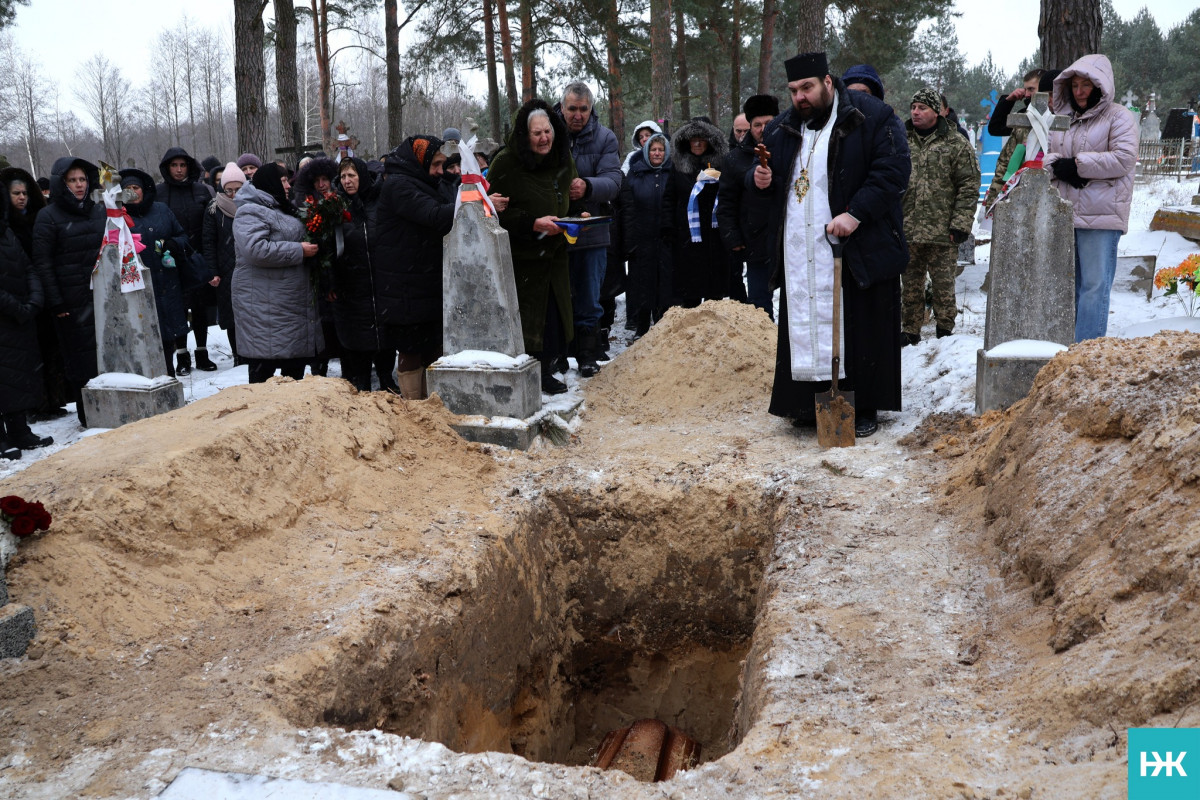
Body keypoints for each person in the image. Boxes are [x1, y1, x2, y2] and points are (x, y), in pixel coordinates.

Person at [750, 52, 910, 438]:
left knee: (860, 326)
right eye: (793, 91)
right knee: (805, 323)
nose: (800, 97)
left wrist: (855, 213)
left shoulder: (872, 116)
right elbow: (772, 179)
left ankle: (863, 406)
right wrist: (760, 181)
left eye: (807, 88)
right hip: (802, 249)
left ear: (826, 81)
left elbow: (893, 171)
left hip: (857, 244)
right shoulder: (781, 128)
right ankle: (806, 405)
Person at [1045, 54, 1138, 342]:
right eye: (1074, 85)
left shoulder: (1118, 116)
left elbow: (1124, 158)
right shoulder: (1063, 119)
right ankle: (1068, 347)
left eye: (1086, 85)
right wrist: (1057, 165)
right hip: (1065, 213)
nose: (1079, 92)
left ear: (1100, 86)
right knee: (1068, 285)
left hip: (1101, 216)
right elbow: (1043, 154)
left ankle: (1086, 350)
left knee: (1094, 286)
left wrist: (1077, 165)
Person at [489, 99, 579, 395]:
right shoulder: (505, 163)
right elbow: (493, 213)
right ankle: (534, 373)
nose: (544, 138)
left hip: (555, 254)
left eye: (547, 131)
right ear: (524, 136)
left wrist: (578, 216)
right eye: (537, 133)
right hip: (523, 257)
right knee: (531, 321)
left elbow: (566, 197)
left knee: (555, 317)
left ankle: (549, 366)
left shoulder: (561, 157)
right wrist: (532, 223)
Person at [371, 136, 456, 400]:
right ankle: (414, 409)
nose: (440, 171)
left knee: (433, 348)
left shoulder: (425, 182)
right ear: (420, 161)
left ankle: (433, 407)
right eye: (436, 164)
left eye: (443, 165)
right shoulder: (399, 185)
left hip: (424, 282)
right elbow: (433, 215)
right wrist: (472, 204)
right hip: (404, 287)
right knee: (411, 351)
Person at [231, 163, 323, 383]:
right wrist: (298, 250)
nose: (288, 186)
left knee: (293, 374)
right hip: (265, 306)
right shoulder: (250, 210)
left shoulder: (280, 207)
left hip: (285, 304)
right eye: (282, 181)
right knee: (263, 376)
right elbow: (255, 250)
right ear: (270, 183)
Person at [31, 157, 106, 426]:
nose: (79, 185)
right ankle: (88, 416)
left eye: (82, 179)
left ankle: (110, 406)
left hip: (102, 296)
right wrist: (56, 301)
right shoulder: (48, 216)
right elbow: (43, 263)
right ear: (61, 183)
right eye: (72, 180)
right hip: (70, 301)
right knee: (80, 360)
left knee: (106, 353)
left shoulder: (98, 211)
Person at [901, 87, 979, 345]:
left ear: (937, 112)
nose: (916, 112)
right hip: (908, 228)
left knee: (944, 286)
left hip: (943, 231)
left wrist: (960, 224)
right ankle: (910, 331)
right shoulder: (901, 140)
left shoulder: (956, 143)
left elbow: (968, 185)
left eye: (922, 108)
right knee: (910, 286)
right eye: (913, 107)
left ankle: (945, 332)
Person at [120, 168, 217, 375]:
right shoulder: (118, 216)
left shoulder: (161, 210)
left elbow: (181, 236)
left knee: (168, 335)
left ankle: (170, 376)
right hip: (140, 285)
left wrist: (173, 244)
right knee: (146, 335)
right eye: (128, 188)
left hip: (168, 281)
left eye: (136, 187)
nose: (133, 192)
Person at [556, 81, 622, 378]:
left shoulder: (605, 138)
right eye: (572, 109)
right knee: (558, 297)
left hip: (592, 232)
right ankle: (557, 354)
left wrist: (587, 186)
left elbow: (614, 181)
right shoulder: (549, 134)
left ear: (591, 108)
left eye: (583, 109)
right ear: (562, 107)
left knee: (589, 297)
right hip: (556, 230)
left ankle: (587, 354)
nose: (578, 115)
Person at [3, 166, 66, 415]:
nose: (22, 198)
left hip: (41, 294)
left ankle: (53, 399)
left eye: (25, 193)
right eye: (16, 193)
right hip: (18, 298)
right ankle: (35, 405)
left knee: (49, 349)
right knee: (27, 356)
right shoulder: (7, 227)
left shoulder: (38, 219)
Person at [334, 156, 394, 393]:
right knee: (357, 338)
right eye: (343, 176)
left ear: (362, 177)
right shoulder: (335, 206)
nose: (347, 181)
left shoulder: (380, 201)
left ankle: (386, 378)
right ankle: (362, 382)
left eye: (352, 175)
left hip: (382, 281)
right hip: (353, 284)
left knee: (386, 335)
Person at [718, 93, 781, 319]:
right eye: (757, 124)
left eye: (768, 122)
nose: (763, 129)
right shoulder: (734, 159)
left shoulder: (792, 149)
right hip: (755, 239)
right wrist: (732, 236)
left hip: (787, 237)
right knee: (759, 304)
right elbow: (726, 201)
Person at [156, 147, 218, 375]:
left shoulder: (202, 190)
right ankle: (181, 355)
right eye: (174, 165)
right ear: (167, 168)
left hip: (198, 256)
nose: (179, 170)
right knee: (178, 308)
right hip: (171, 259)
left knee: (200, 307)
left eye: (183, 165)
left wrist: (209, 259)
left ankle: (202, 352)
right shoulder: (159, 193)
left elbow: (211, 224)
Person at [0, 198, 52, 458]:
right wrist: (16, 308)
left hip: (18, 318)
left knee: (16, 376)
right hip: (10, 314)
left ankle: (20, 430)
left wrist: (34, 299)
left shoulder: (6, 232)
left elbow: (28, 267)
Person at [619, 131, 675, 337]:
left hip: (666, 241)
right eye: (653, 150)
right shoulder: (635, 174)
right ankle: (641, 328)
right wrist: (630, 241)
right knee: (643, 286)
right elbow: (628, 209)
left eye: (661, 150)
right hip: (642, 240)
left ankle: (663, 329)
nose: (657, 153)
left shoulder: (673, 173)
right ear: (646, 152)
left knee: (665, 286)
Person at [292, 156, 343, 377]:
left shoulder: (341, 203)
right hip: (314, 276)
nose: (321, 185)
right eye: (317, 180)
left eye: (325, 179)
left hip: (341, 273)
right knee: (320, 329)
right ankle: (318, 371)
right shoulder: (303, 208)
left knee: (339, 328)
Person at [671, 116, 729, 307]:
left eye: (701, 139)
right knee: (690, 291)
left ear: (710, 141)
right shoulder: (677, 166)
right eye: (693, 139)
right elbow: (669, 199)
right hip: (687, 236)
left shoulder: (722, 165)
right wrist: (669, 229)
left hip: (714, 236)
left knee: (714, 292)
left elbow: (729, 196)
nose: (697, 144)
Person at [204, 162, 244, 363]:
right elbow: (208, 241)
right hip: (226, 269)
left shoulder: (254, 204)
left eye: (238, 189)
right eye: (229, 190)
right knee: (231, 315)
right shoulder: (214, 208)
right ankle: (237, 354)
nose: (234, 194)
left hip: (250, 267)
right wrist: (213, 270)